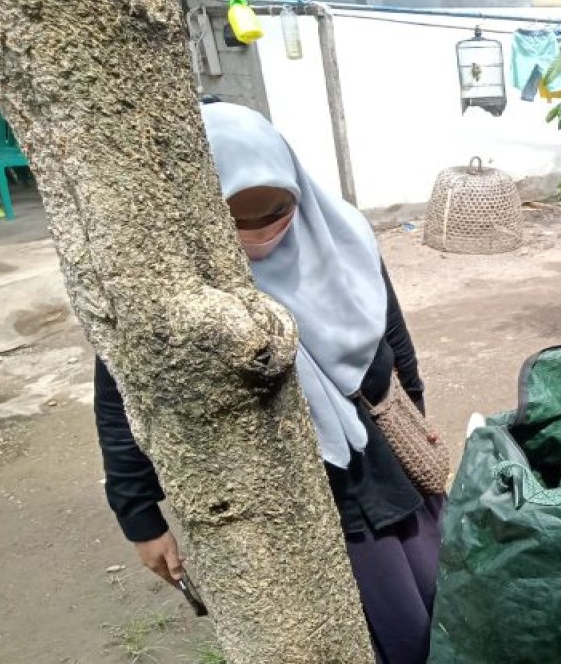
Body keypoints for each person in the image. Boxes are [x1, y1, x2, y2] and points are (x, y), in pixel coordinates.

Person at [94, 102, 442, 664]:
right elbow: (122, 397)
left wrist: (416, 417)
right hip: (284, 488)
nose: (261, 234)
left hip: (383, 459)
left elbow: (392, 339)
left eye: (276, 210)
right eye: (238, 218)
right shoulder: (172, 289)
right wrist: (140, 517)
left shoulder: (342, 236)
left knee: (436, 602)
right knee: (366, 626)